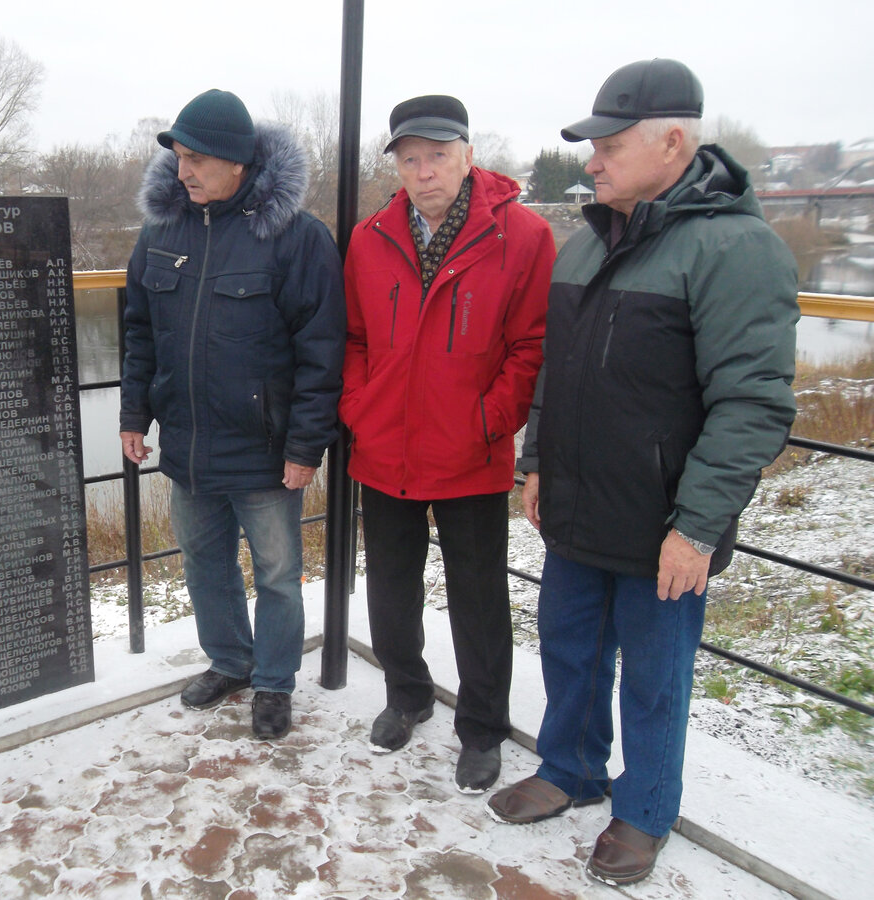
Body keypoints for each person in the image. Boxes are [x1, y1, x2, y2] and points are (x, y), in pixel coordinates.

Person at [487, 59, 799, 885]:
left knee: (656, 678)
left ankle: (645, 810)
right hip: (578, 505)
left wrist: (696, 526)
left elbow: (753, 405)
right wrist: (538, 464)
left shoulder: (737, 248)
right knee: (568, 650)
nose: (593, 161)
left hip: (666, 521)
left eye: (610, 145)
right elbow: (558, 370)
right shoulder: (589, 241)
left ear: (672, 141)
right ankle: (570, 770)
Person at [340, 95, 554, 792]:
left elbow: (533, 345)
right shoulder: (370, 238)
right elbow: (354, 340)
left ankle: (483, 728)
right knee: (390, 588)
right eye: (410, 158)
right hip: (386, 448)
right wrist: (359, 408)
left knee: (479, 599)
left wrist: (490, 420)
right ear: (397, 164)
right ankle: (407, 696)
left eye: (437, 155)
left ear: (467, 153)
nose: (423, 170)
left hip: (471, 452)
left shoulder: (519, 236)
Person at [119, 89, 345, 741]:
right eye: (179, 157)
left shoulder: (296, 238)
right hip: (189, 447)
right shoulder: (162, 233)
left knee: (277, 574)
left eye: (197, 159)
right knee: (203, 562)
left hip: (265, 451)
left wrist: (306, 446)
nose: (182, 170)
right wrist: (135, 414)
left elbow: (321, 351)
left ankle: (273, 682)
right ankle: (231, 662)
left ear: (239, 162)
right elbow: (139, 331)